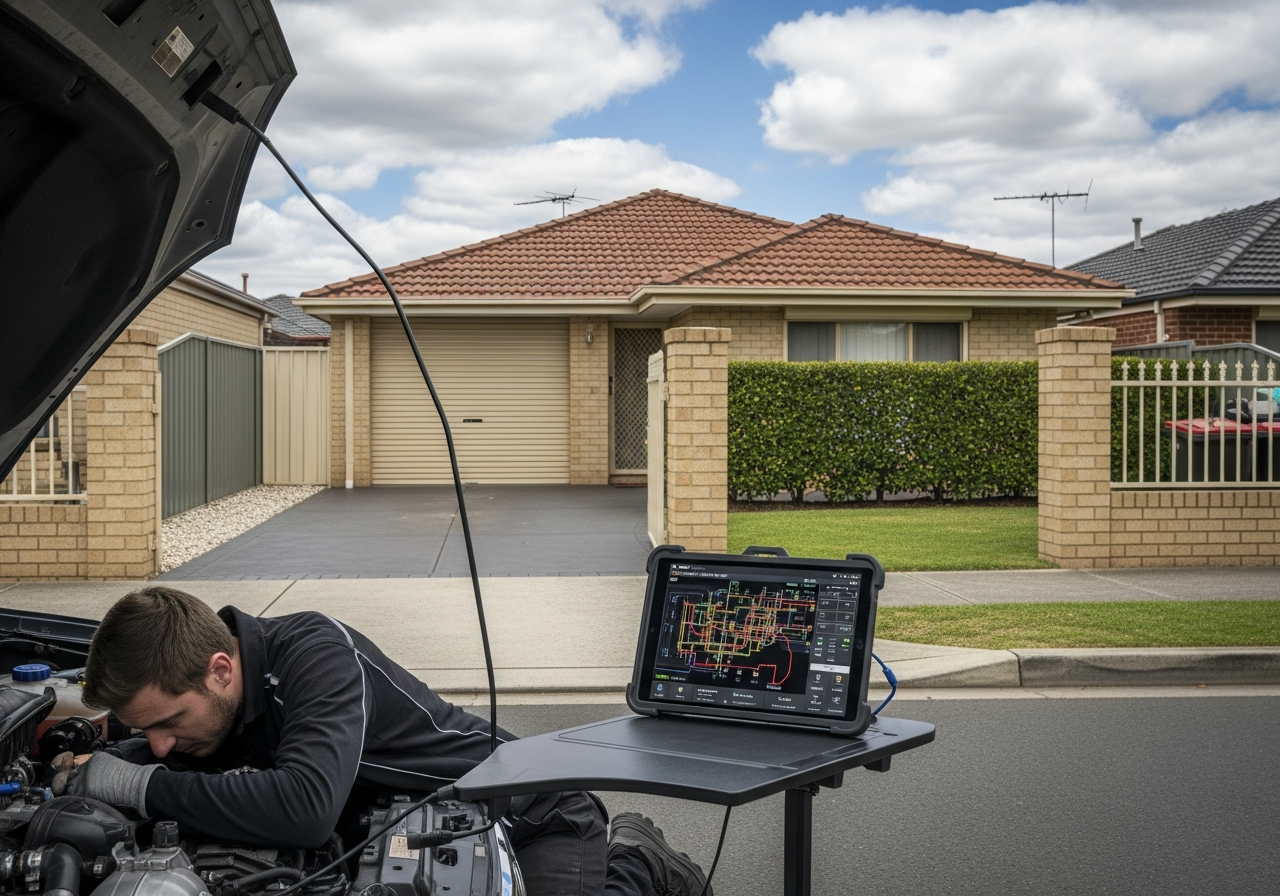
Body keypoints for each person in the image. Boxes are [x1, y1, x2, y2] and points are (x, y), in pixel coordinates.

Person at [60, 586, 710, 896]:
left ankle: (638, 859)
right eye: (148, 730)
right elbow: (143, 737)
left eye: (168, 723)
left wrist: (134, 783)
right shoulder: (193, 696)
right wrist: (94, 751)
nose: (160, 744)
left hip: (529, 815)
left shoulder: (313, 651)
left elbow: (306, 809)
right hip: (403, 827)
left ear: (221, 670)